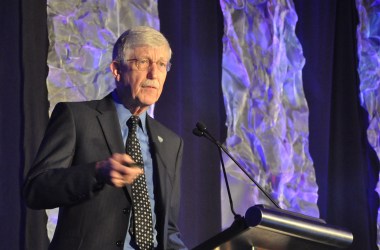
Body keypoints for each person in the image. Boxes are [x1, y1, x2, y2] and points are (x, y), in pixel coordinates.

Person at [23, 26, 187, 250]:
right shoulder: (77, 118)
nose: (153, 74)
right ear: (117, 70)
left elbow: (167, 228)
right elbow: (36, 189)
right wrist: (96, 172)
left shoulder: (170, 142)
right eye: (143, 62)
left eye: (161, 64)